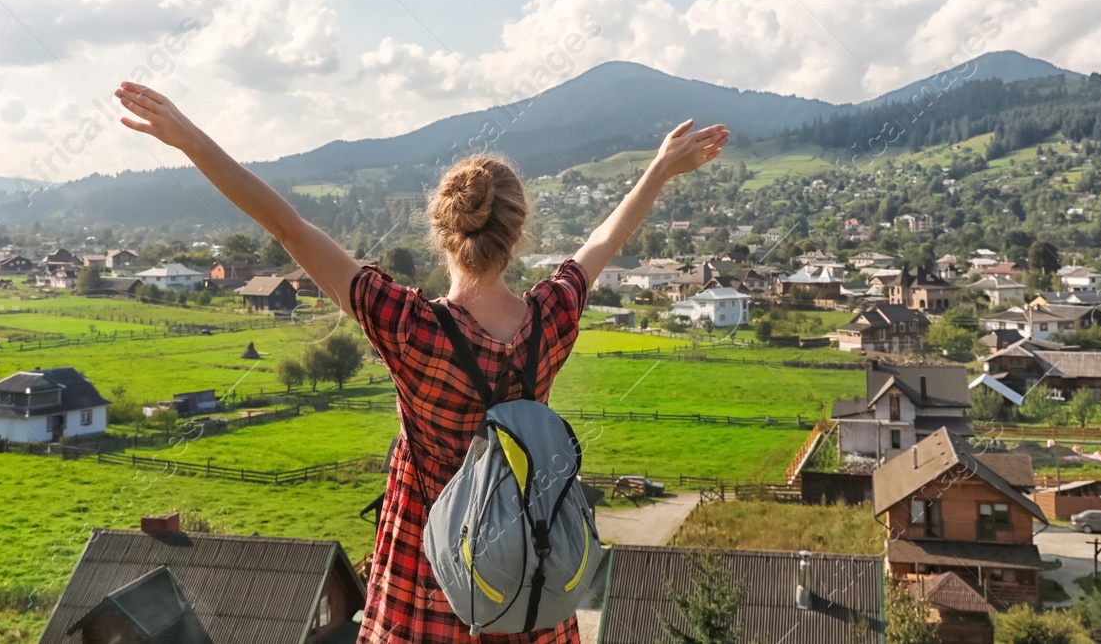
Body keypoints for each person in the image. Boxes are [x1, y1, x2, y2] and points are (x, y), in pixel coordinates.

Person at [115, 81, 729, 643]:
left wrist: (190, 139)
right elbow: (600, 244)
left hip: (426, 585)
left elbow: (289, 228)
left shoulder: (411, 329)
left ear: (442, 232)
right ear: (516, 236)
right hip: (523, 581)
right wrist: (657, 169)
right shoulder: (550, 321)